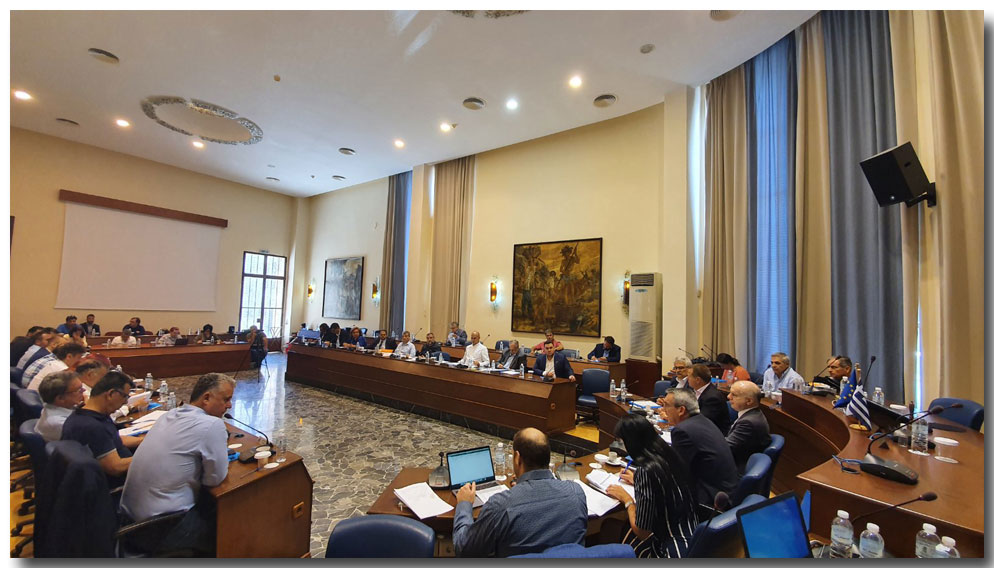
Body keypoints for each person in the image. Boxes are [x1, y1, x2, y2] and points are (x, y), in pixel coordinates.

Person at [120, 373, 234, 556]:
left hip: (128, 522)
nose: (230, 405)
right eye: (226, 399)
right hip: (161, 529)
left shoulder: (169, 414)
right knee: (229, 519)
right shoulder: (212, 425)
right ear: (206, 398)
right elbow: (214, 480)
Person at [453, 428, 587, 557]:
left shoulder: (501, 505)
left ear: (517, 458)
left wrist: (464, 504)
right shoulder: (576, 493)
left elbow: (463, 548)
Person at [607, 414, 700, 558]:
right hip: (693, 540)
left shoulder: (646, 471)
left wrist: (627, 500)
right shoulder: (670, 456)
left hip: (668, 550)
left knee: (614, 528)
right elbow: (667, 485)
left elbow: (642, 531)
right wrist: (637, 480)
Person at [61, 370, 143, 487]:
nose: (126, 401)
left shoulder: (90, 414)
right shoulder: (92, 427)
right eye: (125, 396)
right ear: (111, 394)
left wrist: (145, 440)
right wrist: (149, 456)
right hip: (121, 486)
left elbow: (115, 440)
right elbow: (116, 467)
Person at [660, 388, 738, 507]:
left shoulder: (683, 431)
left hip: (711, 500)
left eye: (666, 405)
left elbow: (677, 473)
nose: (663, 409)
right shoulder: (702, 421)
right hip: (725, 492)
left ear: (681, 410)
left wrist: (643, 478)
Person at [725, 381, 772, 474]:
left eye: (734, 395)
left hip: (736, 469)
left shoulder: (748, 423)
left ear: (749, 401)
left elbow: (726, 447)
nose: (728, 397)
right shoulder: (752, 414)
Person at [35, 370, 86, 442]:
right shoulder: (60, 423)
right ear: (61, 398)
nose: (84, 390)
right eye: (79, 390)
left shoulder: (54, 405)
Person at [688, 363, 731, 435]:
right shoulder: (696, 391)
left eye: (689, 376)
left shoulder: (712, 398)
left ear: (697, 380)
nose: (687, 379)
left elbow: (702, 421)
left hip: (713, 435)